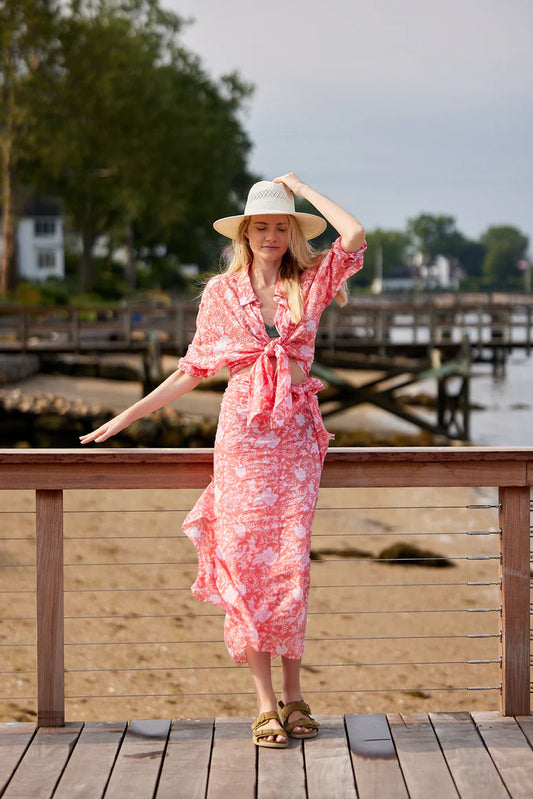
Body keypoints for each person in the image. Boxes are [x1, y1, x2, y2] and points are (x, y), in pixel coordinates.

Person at [80, 172, 366, 748]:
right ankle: (265, 705)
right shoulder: (221, 294)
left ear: (291, 231)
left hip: (294, 440)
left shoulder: (308, 283)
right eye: (260, 226)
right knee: (243, 561)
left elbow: (355, 233)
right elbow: (193, 369)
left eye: (280, 226)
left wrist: (302, 187)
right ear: (244, 232)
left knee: (289, 565)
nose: (270, 235)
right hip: (241, 441)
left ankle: (295, 695)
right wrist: (128, 416)